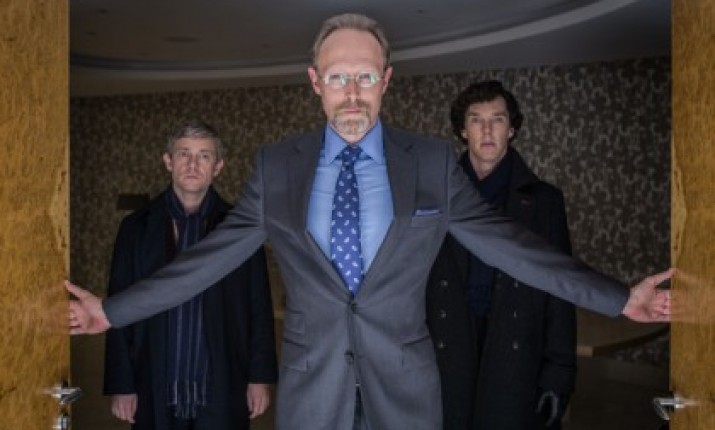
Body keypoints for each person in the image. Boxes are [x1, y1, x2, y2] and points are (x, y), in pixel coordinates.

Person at [66, 13, 672, 430]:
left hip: (406, 389)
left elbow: (513, 246)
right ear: (315, 83)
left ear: (385, 80)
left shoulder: (430, 162)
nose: (351, 93)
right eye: (337, 77)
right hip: (313, 390)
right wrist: (111, 312)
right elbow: (206, 261)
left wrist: (621, 299)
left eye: (364, 77)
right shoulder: (278, 167)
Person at [102, 121, 278, 430]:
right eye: (184, 154)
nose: (193, 164)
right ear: (168, 161)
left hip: (223, 380)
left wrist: (259, 377)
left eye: (204, 156)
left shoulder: (241, 228)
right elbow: (118, 306)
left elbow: (259, 308)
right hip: (152, 379)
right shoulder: (135, 228)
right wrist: (122, 384)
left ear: (218, 167)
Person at [427, 80, 575, 429]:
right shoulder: (432, 196)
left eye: (497, 119)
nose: (487, 130)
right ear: (463, 131)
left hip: (514, 346)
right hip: (446, 346)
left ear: (512, 129)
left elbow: (561, 290)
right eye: (476, 120)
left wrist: (558, 373)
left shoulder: (544, 202)